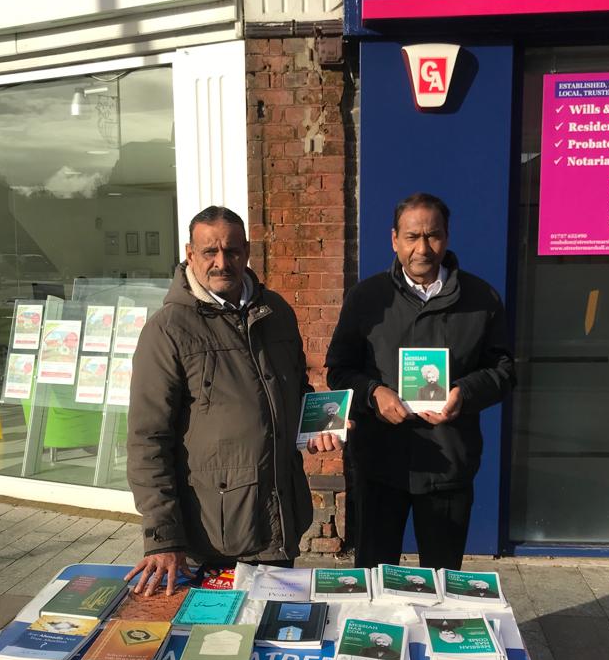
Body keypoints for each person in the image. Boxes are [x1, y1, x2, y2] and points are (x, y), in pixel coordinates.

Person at [126, 205, 341, 596]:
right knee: (218, 645)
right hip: (216, 531)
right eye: (210, 251)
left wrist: (319, 424)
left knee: (274, 641)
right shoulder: (168, 330)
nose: (222, 262)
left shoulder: (275, 312)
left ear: (247, 251)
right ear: (190, 254)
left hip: (280, 517)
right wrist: (163, 538)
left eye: (232, 250)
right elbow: (148, 439)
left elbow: (294, 393)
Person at [326, 192, 515, 570]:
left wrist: (466, 393)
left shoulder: (481, 298)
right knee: (373, 580)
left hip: (448, 465)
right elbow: (339, 369)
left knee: (442, 583)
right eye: (412, 237)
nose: (423, 248)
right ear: (394, 239)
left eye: (433, 236)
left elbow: (505, 370)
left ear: (447, 236)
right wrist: (373, 393)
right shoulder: (367, 298)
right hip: (380, 463)